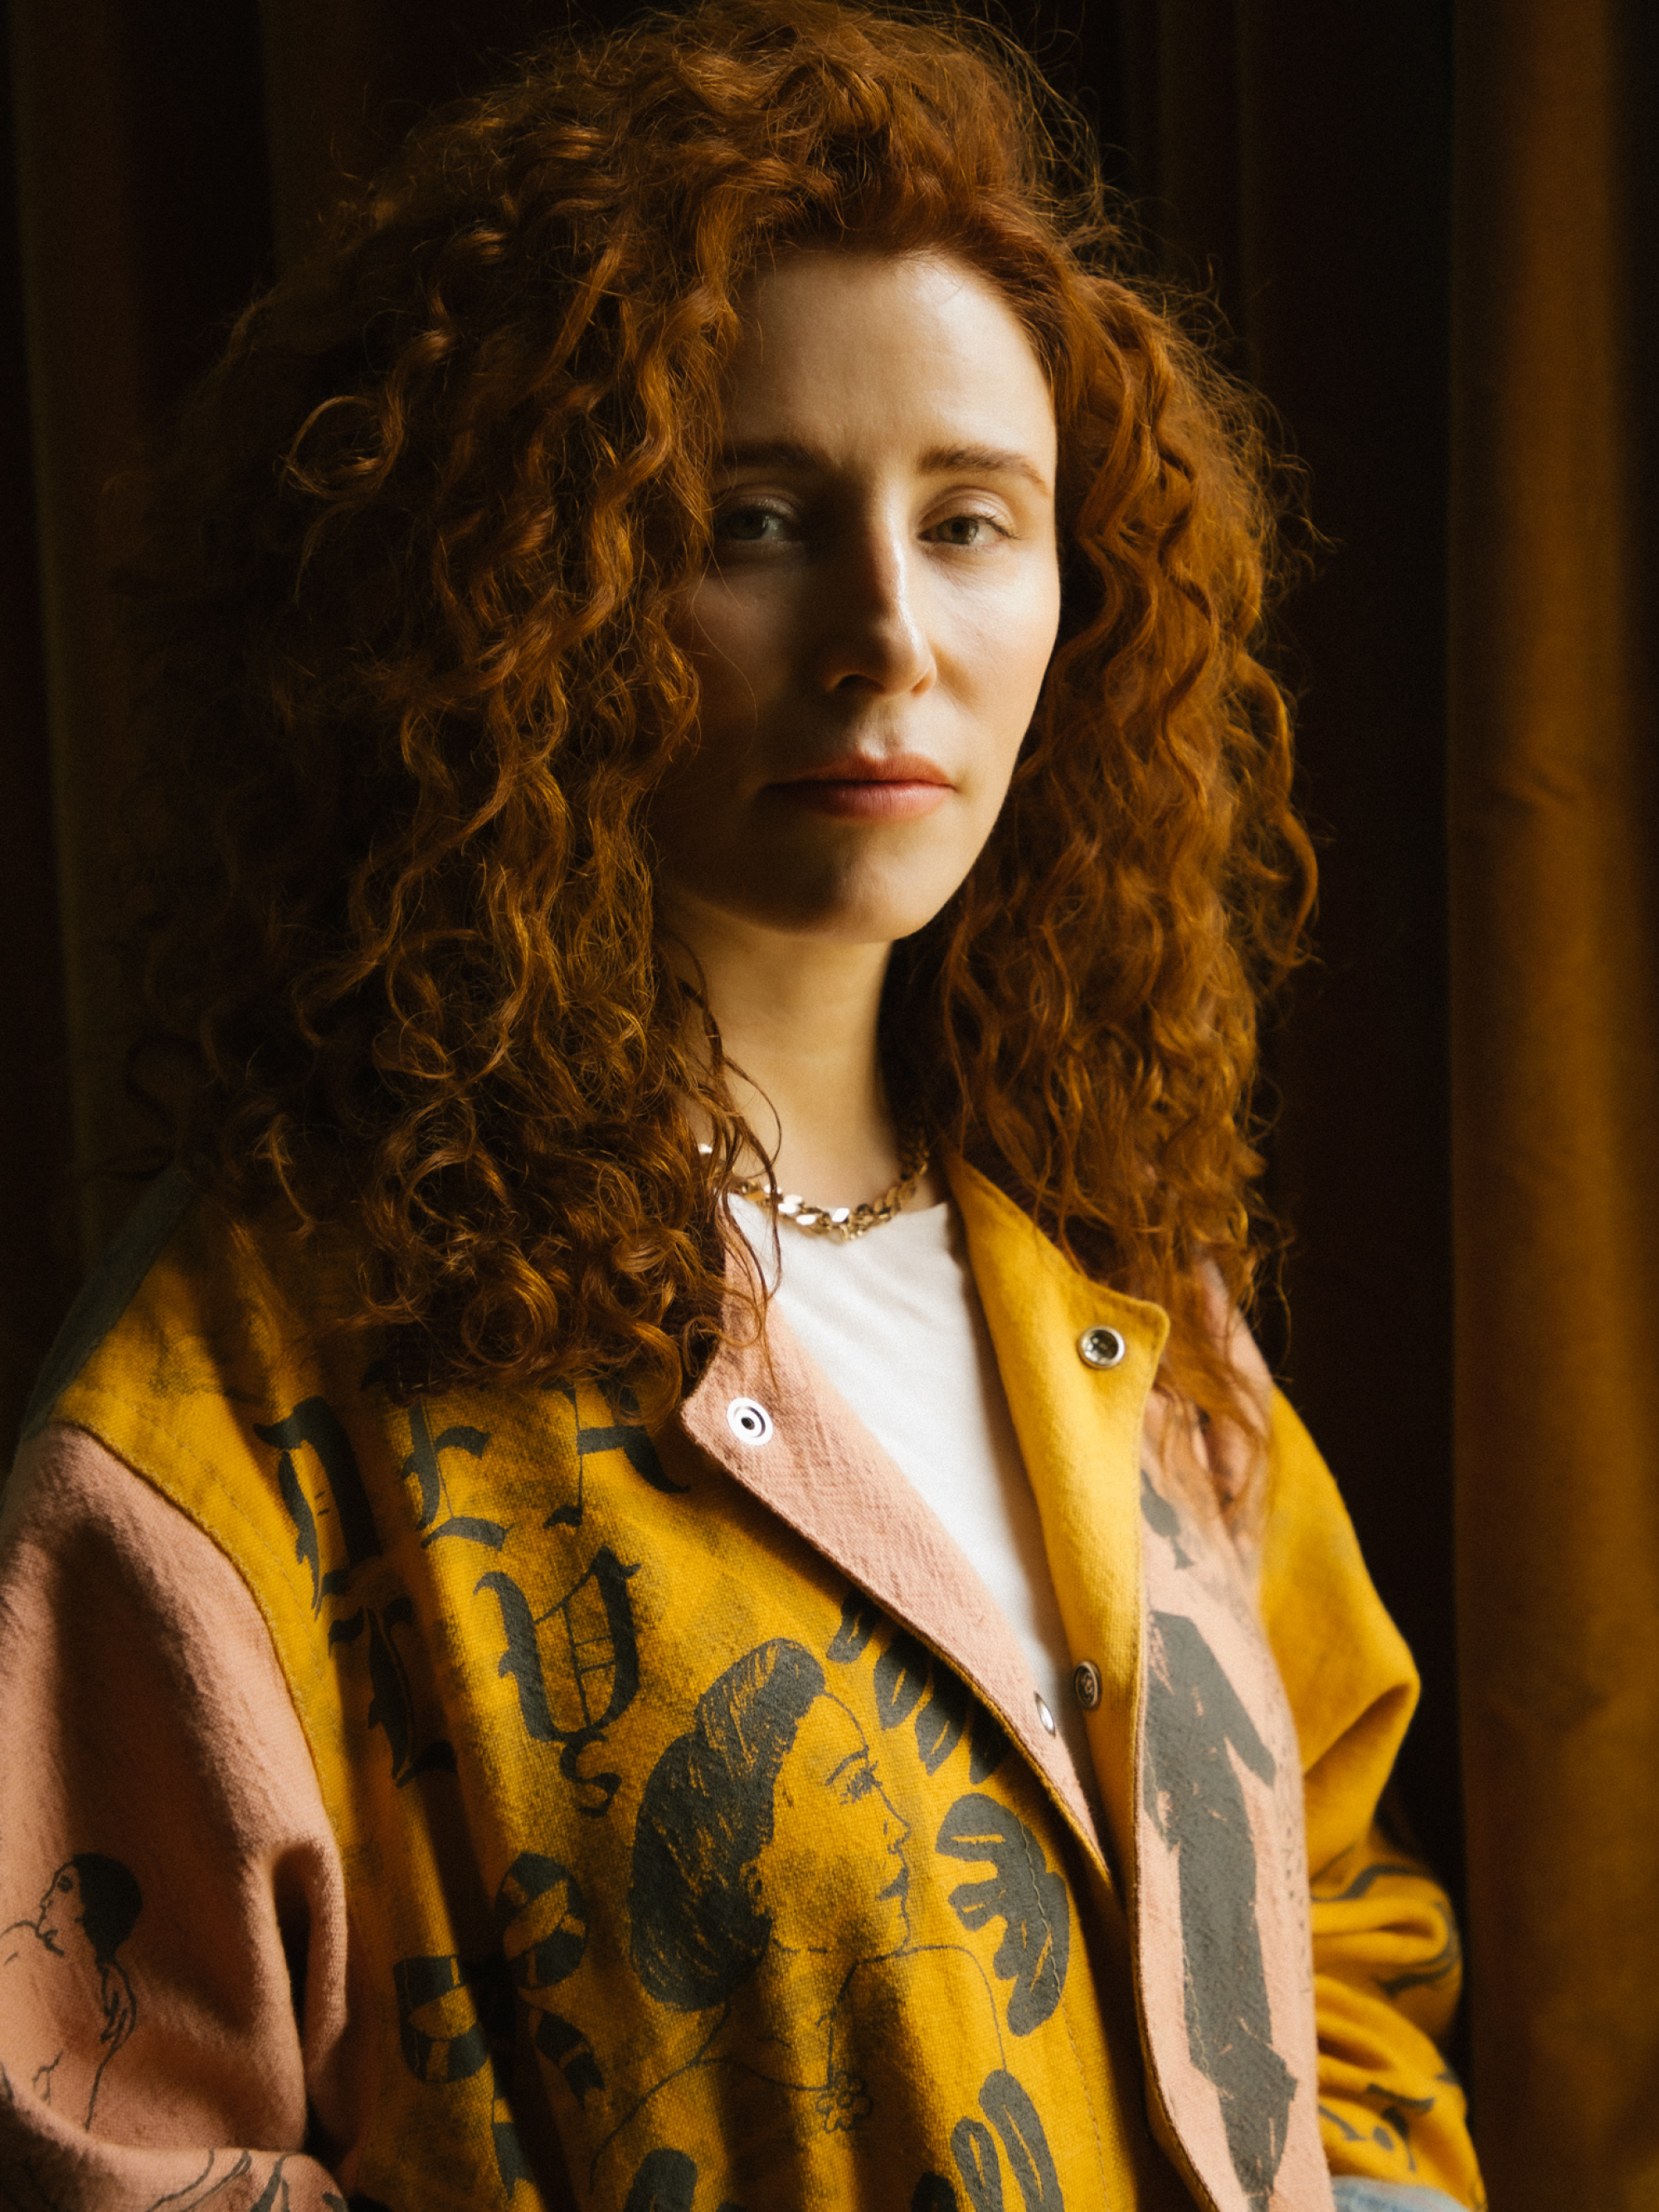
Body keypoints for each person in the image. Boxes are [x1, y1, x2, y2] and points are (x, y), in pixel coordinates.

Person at [0, 3, 1484, 2209]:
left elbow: (1339, 1916)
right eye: (758, 518)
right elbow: (121, 2150)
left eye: (974, 522)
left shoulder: (1111, 1282)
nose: (890, 632)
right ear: (528, 593)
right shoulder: (240, 1400)